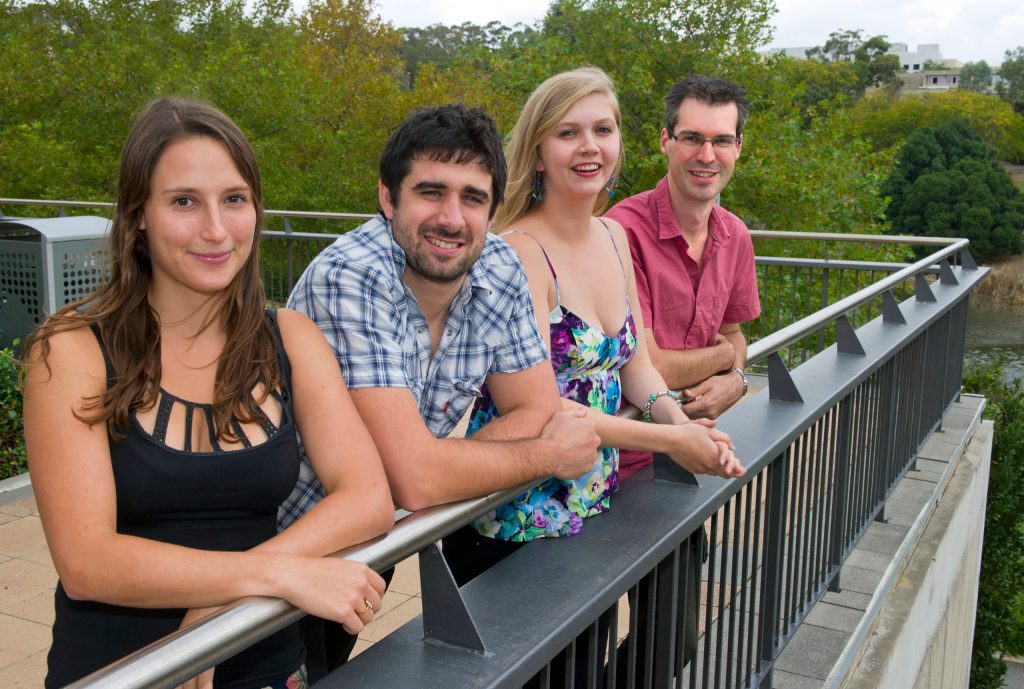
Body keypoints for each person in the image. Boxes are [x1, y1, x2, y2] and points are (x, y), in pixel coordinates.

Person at [22, 98, 394, 689]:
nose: (216, 230)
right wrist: (271, 577)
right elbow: (87, 563)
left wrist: (226, 601)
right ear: (138, 213)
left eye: (234, 199)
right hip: (124, 674)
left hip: (265, 662)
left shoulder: (290, 339)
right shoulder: (70, 351)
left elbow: (368, 496)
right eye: (184, 202)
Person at [284, 103, 600, 674]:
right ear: (388, 198)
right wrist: (546, 455)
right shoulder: (353, 275)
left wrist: (433, 464)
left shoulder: (498, 265)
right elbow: (419, 479)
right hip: (284, 539)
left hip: (368, 543)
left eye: (473, 198)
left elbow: (536, 404)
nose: (452, 218)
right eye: (431, 192)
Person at [606, 74, 761, 483]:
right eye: (691, 137)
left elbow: (734, 333)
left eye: (722, 141)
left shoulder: (736, 236)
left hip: (689, 450)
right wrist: (726, 359)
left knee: (698, 550)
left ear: (738, 148)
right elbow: (651, 363)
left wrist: (737, 379)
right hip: (618, 461)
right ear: (665, 141)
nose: (707, 155)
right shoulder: (623, 232)